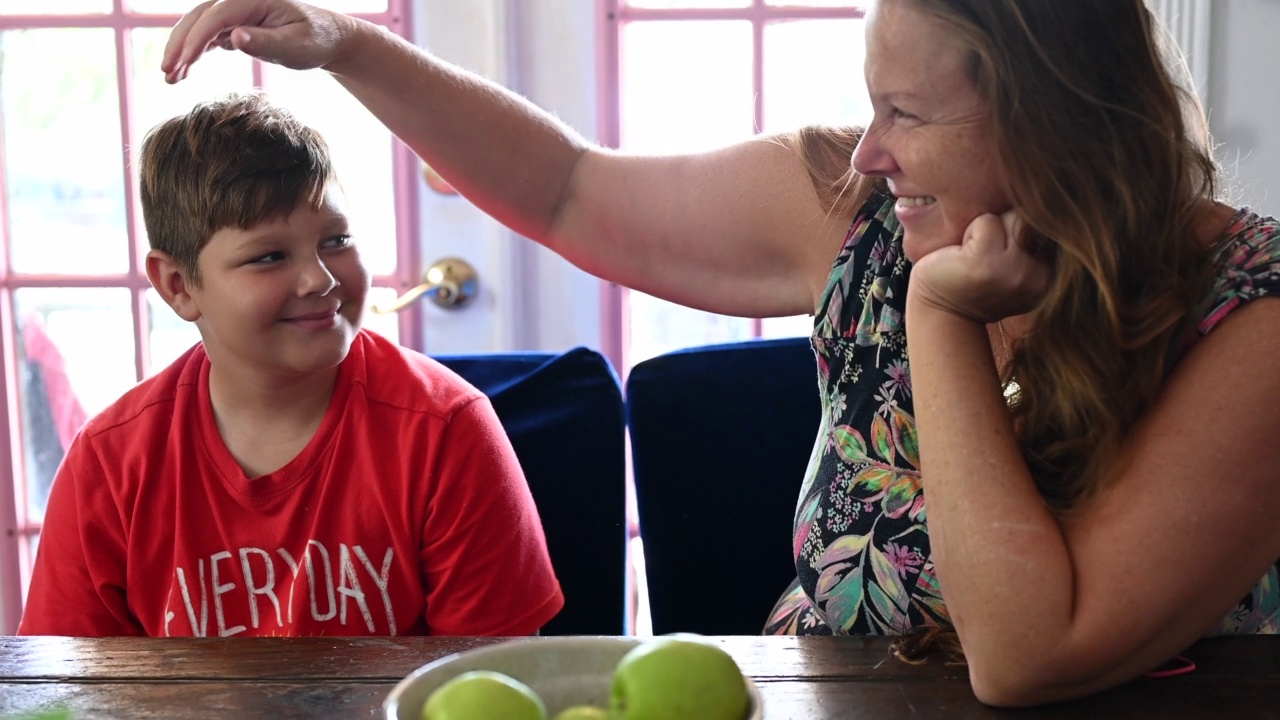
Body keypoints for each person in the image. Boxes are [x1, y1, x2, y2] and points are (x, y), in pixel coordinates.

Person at [162, 0, 1280, 706]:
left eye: (905, 110)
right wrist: (349, 45)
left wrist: (935, 322)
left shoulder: (1252, 313)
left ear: (1055, 119)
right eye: (867, 107)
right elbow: (567, 189)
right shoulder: (857, 204)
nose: (873, 152)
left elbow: (1029, 656)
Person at [18, 93, 564, 638]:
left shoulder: (448, 430)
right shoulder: (109, 465)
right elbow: (68, 690)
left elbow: (494, 683)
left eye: (337, 240)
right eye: (269, 256)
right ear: (179, 286)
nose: (320, 279)